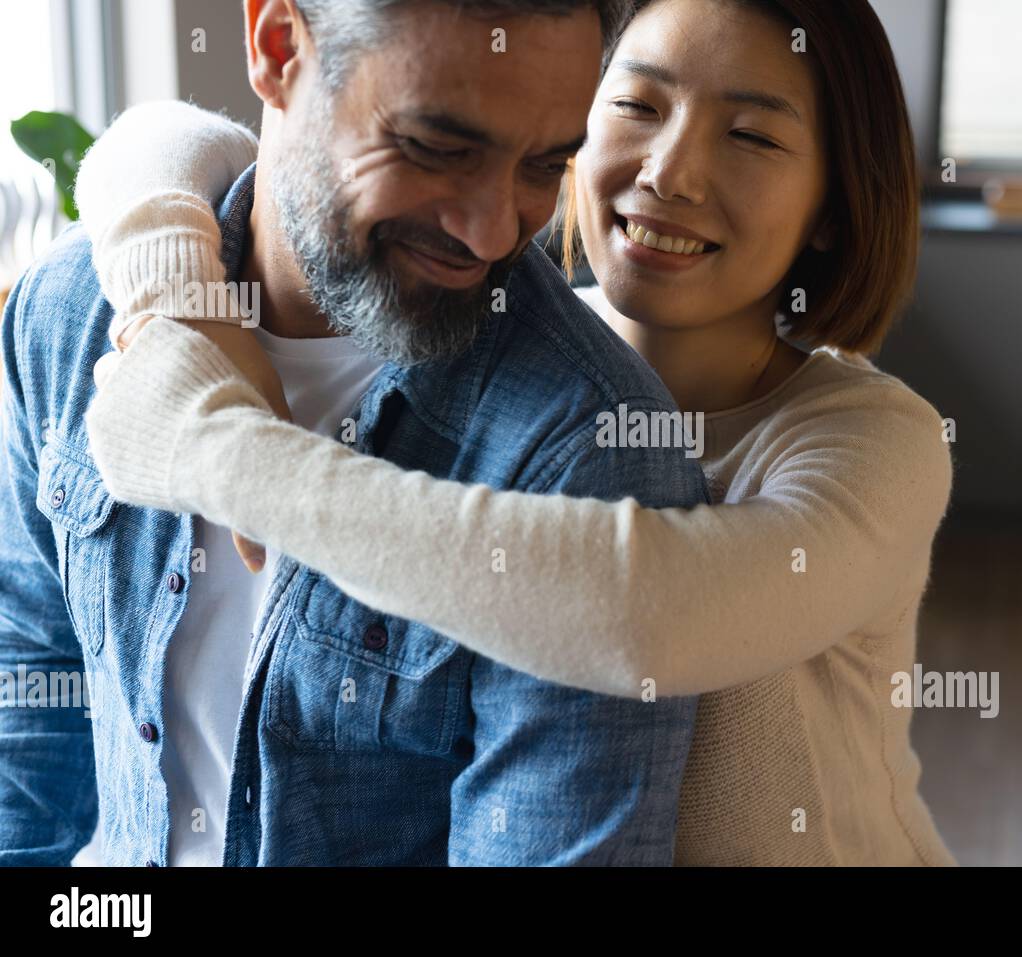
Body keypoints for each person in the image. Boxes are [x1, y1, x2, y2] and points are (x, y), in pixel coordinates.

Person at [85, 0, 958, 865]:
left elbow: (639, 615)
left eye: (753, 137)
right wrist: (176, 303)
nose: (670, 171)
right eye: (636, 106)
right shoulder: (492, 315)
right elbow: (177, 144)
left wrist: (215, 448)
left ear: (835, 207)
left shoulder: (874, 445)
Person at [0, 0, 707, 867]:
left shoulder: (591, 456)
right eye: (437, 147)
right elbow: (32, 701)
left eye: (543, 165)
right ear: (276, 47)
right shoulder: (70, 315)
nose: (491, 232)